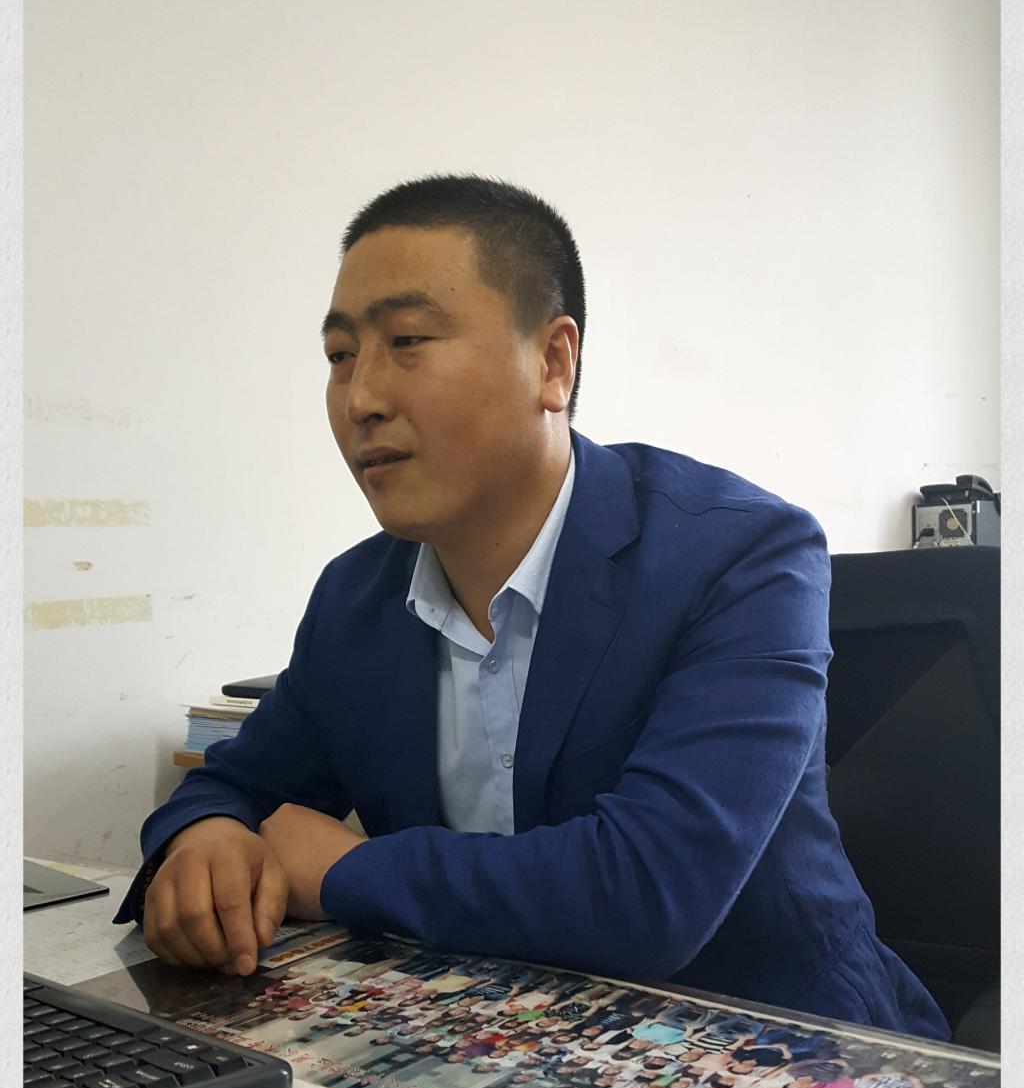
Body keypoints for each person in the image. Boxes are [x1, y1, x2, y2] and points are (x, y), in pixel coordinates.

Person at [115, 173, 949, 1039]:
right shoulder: (356, 599)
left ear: (553, 362)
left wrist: (338, 872)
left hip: (785, 1058)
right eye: (338, 355)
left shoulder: (741, 556)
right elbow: (233, 784)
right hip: (484, 1048)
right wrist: (206, 836)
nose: (361, 397)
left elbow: (647, 891)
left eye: (407, 340)